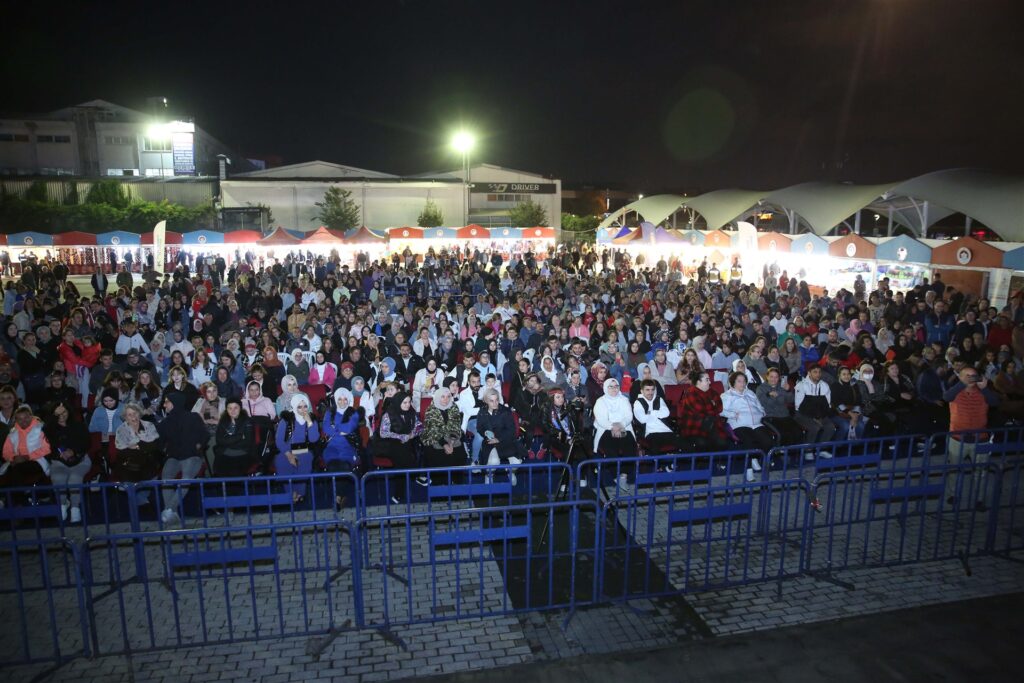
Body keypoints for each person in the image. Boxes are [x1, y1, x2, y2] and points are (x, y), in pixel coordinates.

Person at [943, 367, 999, 510]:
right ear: (960, 377)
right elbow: (946, 397)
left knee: (981, 472)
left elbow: (995, 402)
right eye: (967, 376)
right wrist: (962, 384)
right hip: (957, 438)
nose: (971, 378)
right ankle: (952, 495)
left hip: (980, 438)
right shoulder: (955, 391)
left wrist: (985, 388)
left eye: (973, 376)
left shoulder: (984, 391)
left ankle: (979, 500)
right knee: (954, 469)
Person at [156, 392, 209, 526]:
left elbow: (205, 435)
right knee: (165, 479)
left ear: (174, 403)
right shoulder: (165, 422)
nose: (164, 404)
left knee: (186, 478)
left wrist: (198, 446)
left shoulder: (193, 417)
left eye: (167, 401)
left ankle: (169, 510)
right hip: (174, 456)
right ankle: (171, 513)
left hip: (192, 455)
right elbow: (160, 443)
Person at [720, 371, 777, 476]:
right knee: (749, 441)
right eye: (739, 381)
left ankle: (755, 458)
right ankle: (748, 469)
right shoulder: (727, 395)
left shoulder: (750, 393)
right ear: (733, 383)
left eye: (744, 381)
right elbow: (721, 411)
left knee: (767, 441)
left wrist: (761, 411)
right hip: (739, 423)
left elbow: (759, 405)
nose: (742, 384)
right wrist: (732, 414)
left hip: (756, 423)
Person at [42, 399, 90, 522]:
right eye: (58, 414)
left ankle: (75, 508)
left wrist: (73, 451)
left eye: (64, 412)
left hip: (80, 460)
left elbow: (86, 443)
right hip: (59, 462)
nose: (62, 416)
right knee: (58, 479)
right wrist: (54, 417)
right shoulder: (50, 429)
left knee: (74, 479)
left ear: (69, 412)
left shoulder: (79, 425)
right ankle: (62, 505)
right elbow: (48, 435)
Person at [372, 390, 424, 502]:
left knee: (404, 456)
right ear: (398, 402)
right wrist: (401, 437)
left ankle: (399, 493)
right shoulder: (388, 414)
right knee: (402, 453)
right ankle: (416, 474)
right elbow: (383, 433)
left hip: (408, 442)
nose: (408, 405)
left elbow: (420, 426)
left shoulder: (411, 412)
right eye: (404, 403)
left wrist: (411, 435)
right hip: (389, 443)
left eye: (409, 402)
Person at [274, 394, 320, 503]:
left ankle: (300, 492)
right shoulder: (286, 419)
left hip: (304, 448)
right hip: (287, 449)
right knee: (281, 461)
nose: (303, 409)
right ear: (294, 406)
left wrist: (309, 422)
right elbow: (279, 440)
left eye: (305, 406)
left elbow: (314, 439)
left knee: (305, 459)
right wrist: (289, 455)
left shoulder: (312, 419)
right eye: (299, 407)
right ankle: (290, 493)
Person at [475, 388, 525, 485]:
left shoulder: (505, 411)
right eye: (491, 400)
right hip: (490, 442)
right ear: (486, 401)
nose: (495, 403)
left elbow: (511, 431)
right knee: (494, 462)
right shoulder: (482, 411)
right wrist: (485, 432)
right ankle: (489, 475)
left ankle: (511, 472)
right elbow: (479, 427)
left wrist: (498, 439)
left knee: (516, 462)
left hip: (505, 440)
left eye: (496, 400)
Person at [418, 387, 467, 485]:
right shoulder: (431, 409)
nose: (446, 399)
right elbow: (433, 429)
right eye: (443, 397)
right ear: (437, 397)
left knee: (460, 454)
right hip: (433, 436)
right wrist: (444, 444)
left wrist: (451, 442)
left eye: (448, 396)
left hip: (451, 436)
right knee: (436, 454)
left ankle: (457, 482)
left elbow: (455, 425)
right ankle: (440, 484)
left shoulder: (454, 407)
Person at [0, 405, 51, 492]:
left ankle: (18, 501)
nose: (23, 421)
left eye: (26, 417)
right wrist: (13, 458)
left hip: (37, 460)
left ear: (31, 416)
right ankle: (8, 500)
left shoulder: (40, 429)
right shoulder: (12, 433)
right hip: (17, 461)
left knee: (17, 470)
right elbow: (6, 451)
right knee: (9, 471)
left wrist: (27, 457)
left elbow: (47, 448)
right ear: (16, 420)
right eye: (20, 418)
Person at [113, 401, 162, 483]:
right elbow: (121, 452)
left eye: (135, 413)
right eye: (130, 415)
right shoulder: (121, 430)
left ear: (139, 414)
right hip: (129, 465)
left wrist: (137, 446)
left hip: (149, 462)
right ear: (125, 417)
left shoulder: (149, 425)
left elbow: (155, 446)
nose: (133, 417)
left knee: (149, 474)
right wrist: (144, 446)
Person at [794, 365, 835, 458]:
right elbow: (798, 406)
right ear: (809, 373)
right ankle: (807, 450)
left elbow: (827, 405)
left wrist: (820, 417)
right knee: (814, 427)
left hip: (820, 413)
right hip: (802, 414)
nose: (818, 374)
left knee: (830, 427)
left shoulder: (824, 385)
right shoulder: (801, 385)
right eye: (815, 372)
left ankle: (821, 449)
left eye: (819, 372)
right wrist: (814, 418)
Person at [213, 398, 257, 477]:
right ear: (226, 409)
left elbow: (247, 442)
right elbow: (219, 440)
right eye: (230, 408)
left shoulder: (247, 421)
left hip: (243, 453)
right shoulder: (223, 421)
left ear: (240, 408)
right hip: (224, 453)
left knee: (235, 473)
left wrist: (227, 441)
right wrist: (239, 436)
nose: (232, 410)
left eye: (235, 408)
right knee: (219, 471)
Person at [322, 388, 361, 473]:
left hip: (349, 446)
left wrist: (335, 427)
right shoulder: (330, 412)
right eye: (339, 399)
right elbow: (326, 428)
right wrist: (341, 430)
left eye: (345, 399)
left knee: (345, 467)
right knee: (332, 466)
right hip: (332, 447)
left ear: (348, 400)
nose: (342, 402)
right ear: (336, 399)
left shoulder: (353, 412)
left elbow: (349, 428)